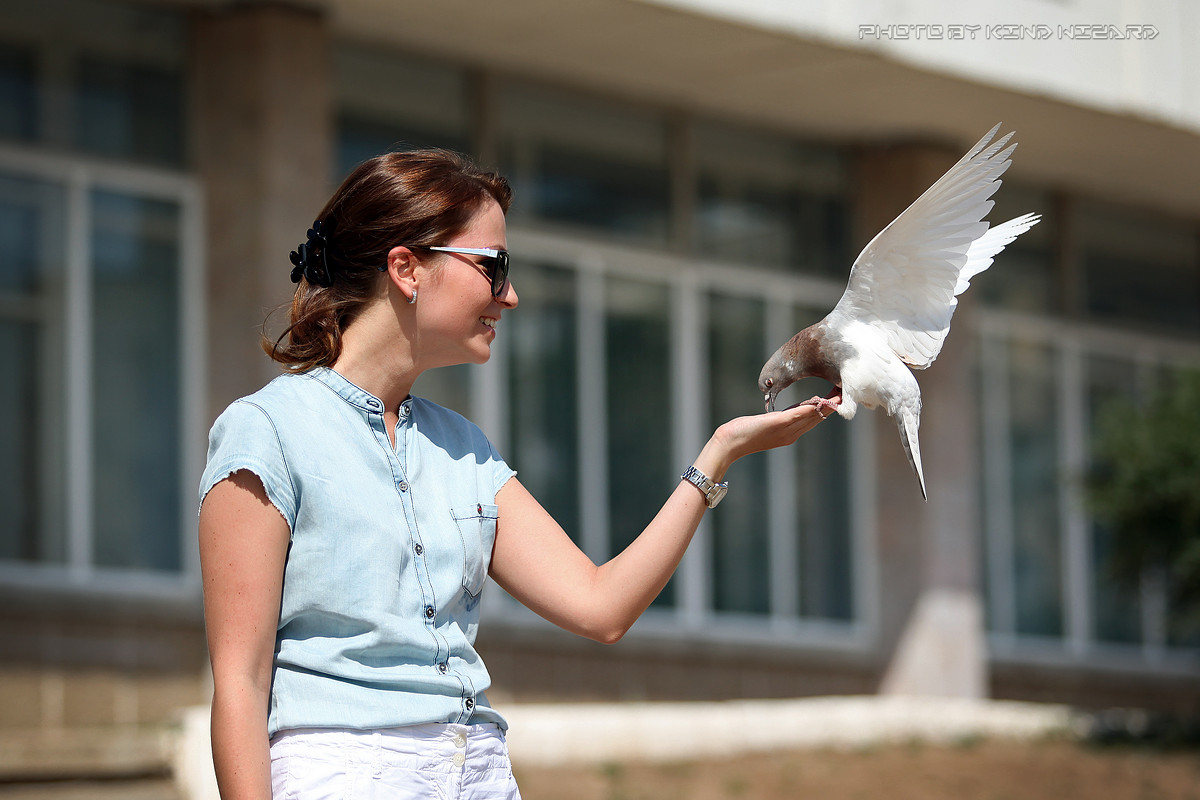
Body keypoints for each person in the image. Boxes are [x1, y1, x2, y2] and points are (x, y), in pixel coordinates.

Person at [198, 148, 831, 800]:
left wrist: (717, 456)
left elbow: (600, 606)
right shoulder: (267, 432)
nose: (512, 295)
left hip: (481, 774)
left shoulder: (464, 448)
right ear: (406, 267)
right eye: (494, 268)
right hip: (342, 775)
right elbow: (240, 684)